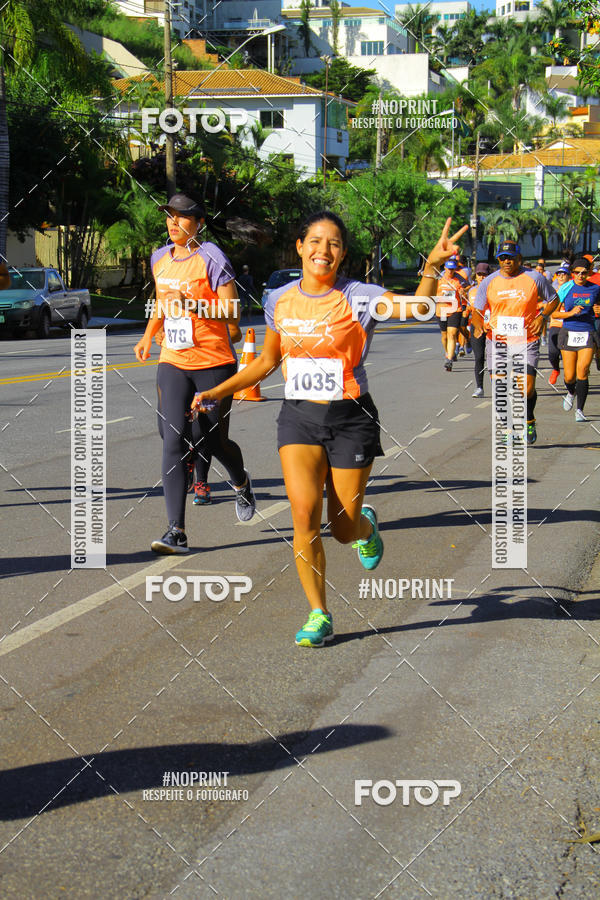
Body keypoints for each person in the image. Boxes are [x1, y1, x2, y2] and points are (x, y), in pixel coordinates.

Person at [191, 212, 468, 647]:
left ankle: (365, 528)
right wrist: (219, 390)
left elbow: (417, 309)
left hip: (351, 418)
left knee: (342, 529)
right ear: (300, 246)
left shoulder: (359, 297)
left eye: (334, 243)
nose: (324, 250)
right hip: (298, 417)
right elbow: (267, 361)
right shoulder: (279, 299)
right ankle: (319, 613)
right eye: (316, 241)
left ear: (342, 254)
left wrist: (431, 267)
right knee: (303, 516)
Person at [133, 192, 256, 553]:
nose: (173, 223)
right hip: (173, 359)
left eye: (181, 218)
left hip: (213, 362)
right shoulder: (160, 258)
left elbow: (232, 313)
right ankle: (177, 532)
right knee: (171, 438)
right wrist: (147, 335)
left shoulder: (212, 257)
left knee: (212, 440)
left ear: (198, 223)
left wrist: (196, 305)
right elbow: (161, 302)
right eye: (169, 217)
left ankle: (239, 480)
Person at [471, 240, 559, 445]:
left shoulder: (534, 278)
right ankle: (508, 429)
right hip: (498, 341)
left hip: (526, 340)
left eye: (510, 258)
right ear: (498, 260)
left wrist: (542, 317)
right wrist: (477, 325)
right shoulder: (489, 282)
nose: (506, 261)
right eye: (502, 258)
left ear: (519, 258)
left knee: (525, 389)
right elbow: (477, 310)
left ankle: (529, 419)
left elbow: (554, 299)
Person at [552, 258, 600, 422]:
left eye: (584, 273)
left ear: (588, 273)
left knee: (583, 369)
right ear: (572, 273)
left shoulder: (595, 289)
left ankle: (580, 409)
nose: (580, 275)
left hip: (587, 332)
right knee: (570, 376)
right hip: (569, 332)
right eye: (576, 272)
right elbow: (554, 313)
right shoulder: (566, 287)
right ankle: (571, 392)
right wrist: (570, 313)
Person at [436, 257, 469, 371]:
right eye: (448, 268)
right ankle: (447, 353)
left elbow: (468, 286)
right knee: (444, 335)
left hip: (455, 309)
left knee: (452, 334)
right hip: (441, 310)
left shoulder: (459, 278)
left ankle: (449, 360)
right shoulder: (439, 278)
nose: (450, 271)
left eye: (452, 269)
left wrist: (463, 291)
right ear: (445, 267)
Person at [465, 262, 491, 397]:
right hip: (477, 326)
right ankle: (479, 387)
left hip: (492, 326)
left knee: (495, 357)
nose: (481, 277)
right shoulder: (472, 291)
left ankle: (498, 384)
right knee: (479, 357)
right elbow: (471, 308)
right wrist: (466, 311)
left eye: (484, 275)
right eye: (479, 275)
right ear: (475, 276)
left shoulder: (494, 289)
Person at [547, 265, 571, 385]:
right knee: (553, 352)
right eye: (559, 274)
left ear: (569, 276)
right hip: (555, 324)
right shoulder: (553, 291)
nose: (561, 276)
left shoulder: (573, 290)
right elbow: (545, 304)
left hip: (570, 324)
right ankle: (556, 369)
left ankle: (570, 376)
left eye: (564, 274)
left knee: (568, 353)